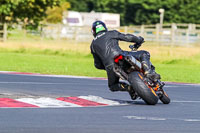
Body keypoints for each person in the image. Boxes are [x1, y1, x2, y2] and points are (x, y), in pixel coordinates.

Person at [90, 20, 160, 100]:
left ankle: (129, 88)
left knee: (113, 86)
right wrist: (138, 40)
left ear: (93, 31)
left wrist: (106, 66)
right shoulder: (111, 33)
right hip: (121, 55)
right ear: (104, 27)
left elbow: (97, 64)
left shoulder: (93, 45)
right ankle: (148, 72)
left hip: (110, 66)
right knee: (144, 53)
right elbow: (127, 37)